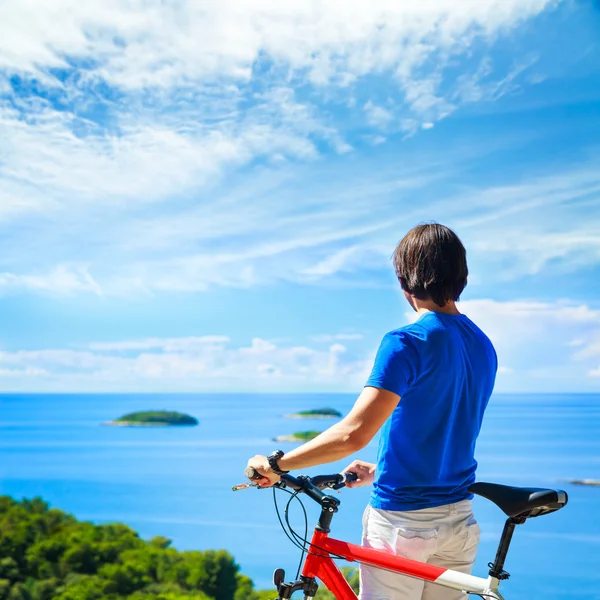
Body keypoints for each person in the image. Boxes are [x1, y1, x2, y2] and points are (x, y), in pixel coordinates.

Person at [246, 223, 497, 600]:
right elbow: (445, 429)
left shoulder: (406, 342)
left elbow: (353, 434)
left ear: (405, 282)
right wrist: (380, 470)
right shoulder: (483, 345)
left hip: (402, 523)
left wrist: (277, 465)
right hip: (459, 519)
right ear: (461, 275)